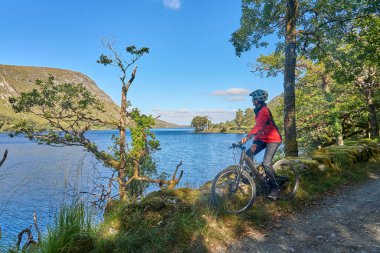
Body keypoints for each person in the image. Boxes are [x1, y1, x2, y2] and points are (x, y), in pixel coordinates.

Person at [241, 89, 282, 199]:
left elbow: (258, 126)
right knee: (248, 154)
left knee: (266, 164)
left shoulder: (264, 110)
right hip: (262, 139)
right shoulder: (258, 111)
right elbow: (260, 129)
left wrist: (248, 137)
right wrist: (254, 142)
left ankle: (276, 188)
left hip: (273, 139)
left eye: (253, 99)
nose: (252, 101)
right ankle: (248, 176)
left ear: (258, 100)